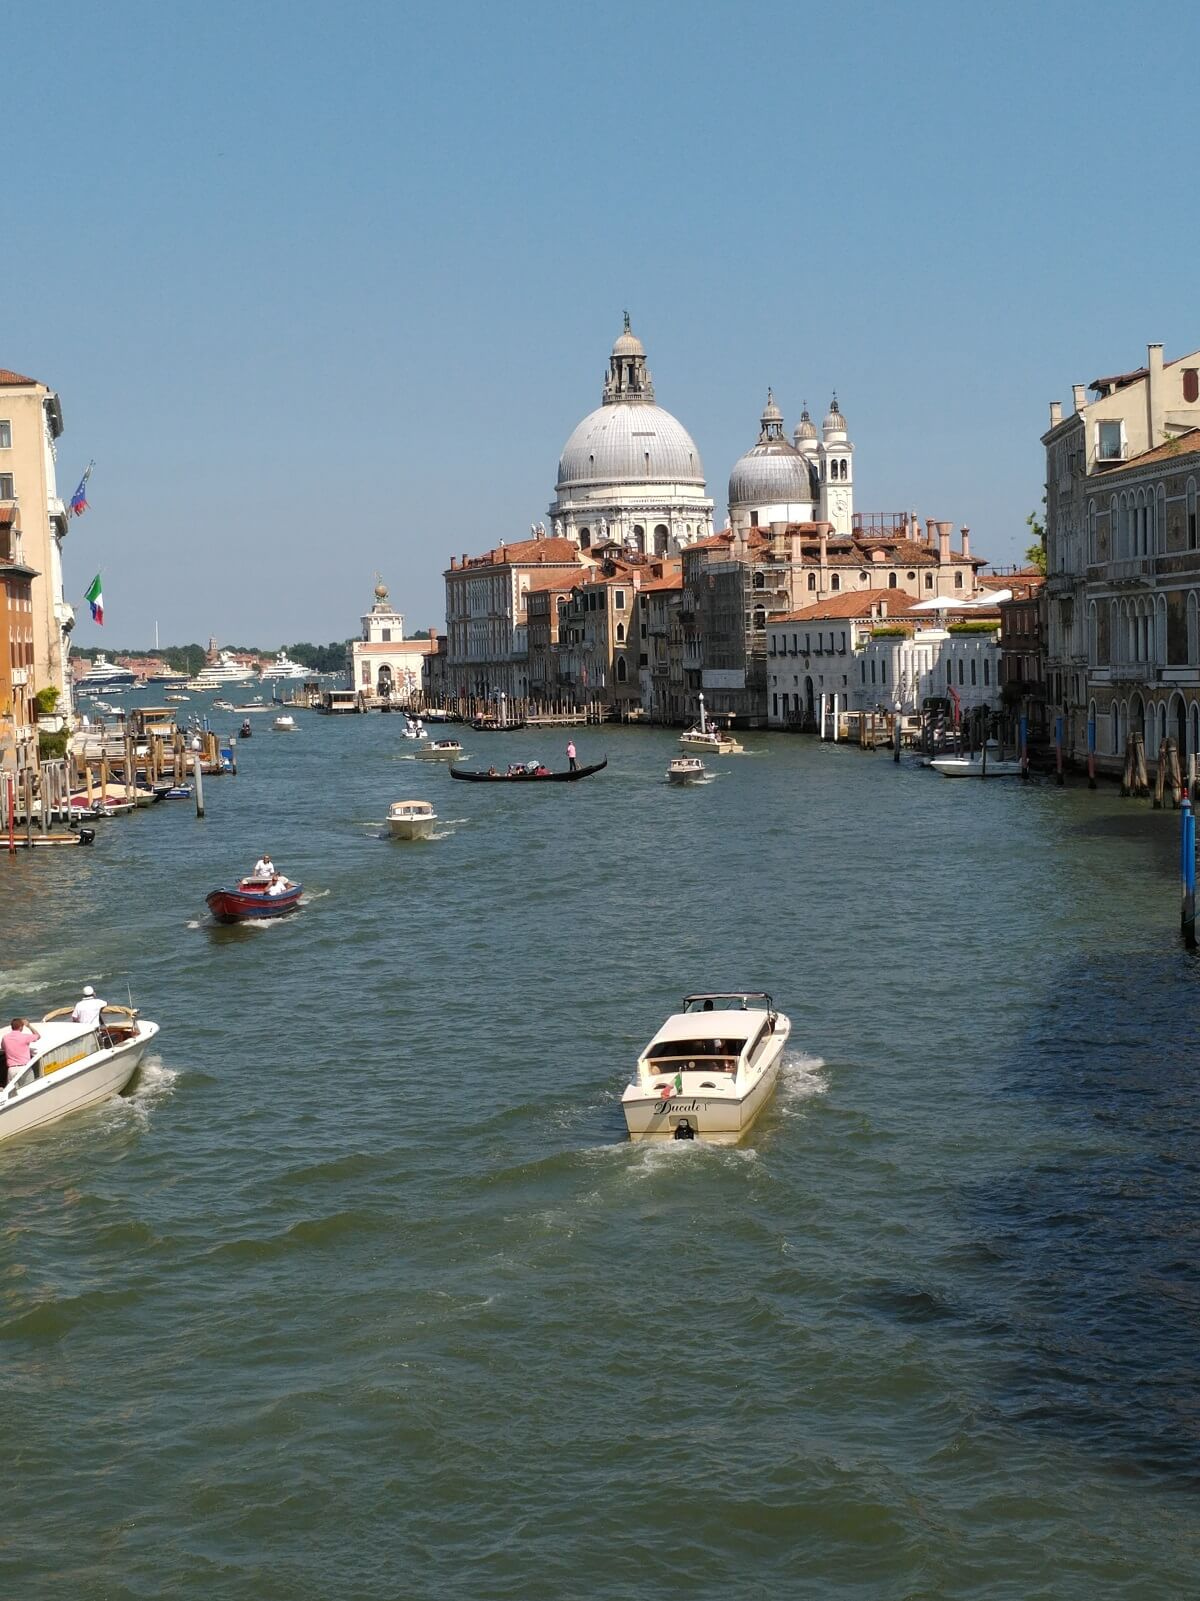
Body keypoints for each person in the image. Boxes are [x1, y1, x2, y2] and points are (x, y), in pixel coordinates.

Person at [2, 1018, 40, 1085]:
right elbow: (38, 1036)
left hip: (12, 1069)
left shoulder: (5, 1038)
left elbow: (3, 1048)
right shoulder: (24, 1037)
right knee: (29, 1088)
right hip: (24, 1068)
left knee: (13, 1093)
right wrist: (29, 1026)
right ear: (20, 1027)